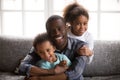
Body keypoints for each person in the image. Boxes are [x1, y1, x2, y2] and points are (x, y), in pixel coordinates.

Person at [19, 15, 92, 80]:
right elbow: (22, 67)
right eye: (52, 31)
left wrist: (39, 78)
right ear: (47, 32)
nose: (57, 33)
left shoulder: (81, 47)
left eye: (60, 29)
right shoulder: (41, 46)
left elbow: (75, 73)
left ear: (66, 28)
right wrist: (52, 71)